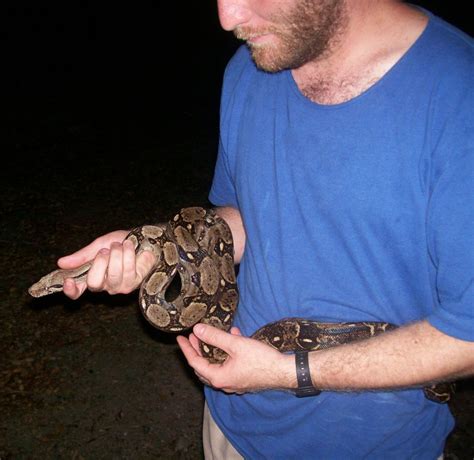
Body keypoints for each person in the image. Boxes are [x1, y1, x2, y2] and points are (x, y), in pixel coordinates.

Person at [58, 0, 473, 458]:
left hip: (372, 444)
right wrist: (163, 248)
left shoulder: (458, 96)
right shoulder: (250, 69)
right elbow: (250, 219)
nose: (227, 17)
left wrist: (287, 372)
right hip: (231, 427)